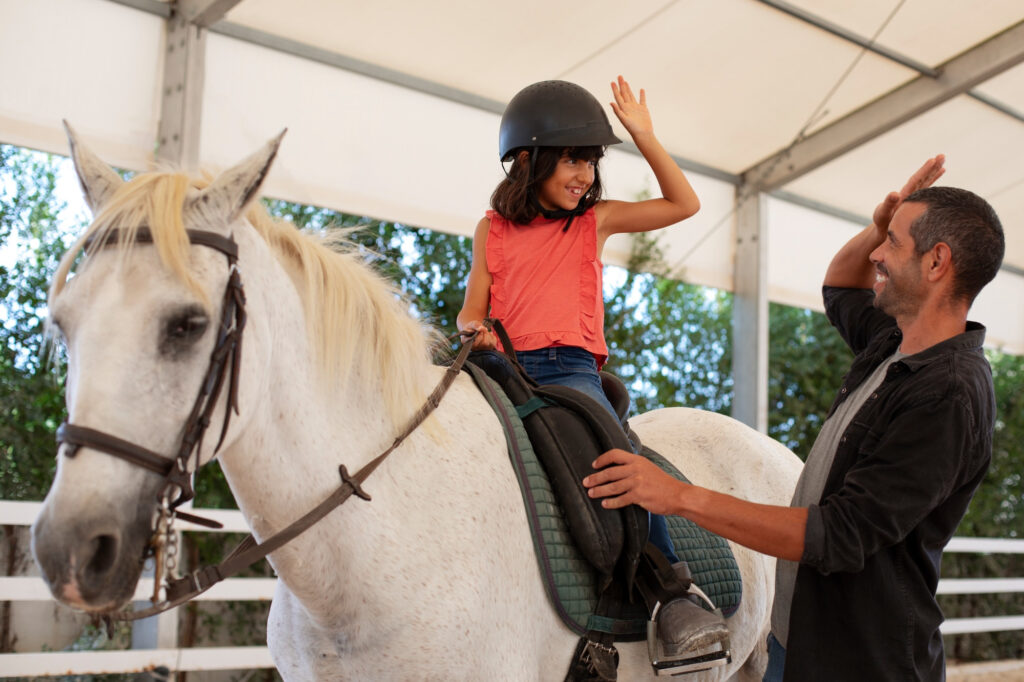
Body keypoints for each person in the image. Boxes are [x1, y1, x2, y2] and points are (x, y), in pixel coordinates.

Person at [582, 155, 1005, 681]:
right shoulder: (894, 341)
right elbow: (840, 287)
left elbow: (838, 534)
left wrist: (678, 495)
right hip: (798, 639)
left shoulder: (948, 394)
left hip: (860, 663)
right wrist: (881, 222)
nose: (876, 253)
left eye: (892, 243)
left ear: (937, 262)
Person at [456, 77, 727, 662]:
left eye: (591, 161)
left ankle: (669, 591)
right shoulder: (491, 230)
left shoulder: (592, 222)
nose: (585, 174)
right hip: (502, 367)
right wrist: (472, 331)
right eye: (573, 160)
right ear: (529, 162)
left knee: (615, 456)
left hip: (568, 368)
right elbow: (472, 309)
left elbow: (685, 204)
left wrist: (645, 136)